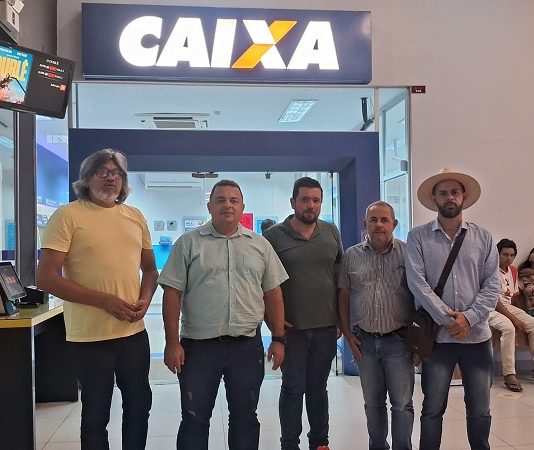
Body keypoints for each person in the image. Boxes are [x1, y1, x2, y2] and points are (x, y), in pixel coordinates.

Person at [37, 149, 158, 450]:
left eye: (116, 173)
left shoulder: (135, 216)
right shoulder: (68, 215)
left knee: (139, 406)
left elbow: (150, 270)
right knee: (95, 414)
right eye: (102, 172)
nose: (110, 178)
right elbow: (46, 278)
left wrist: (145, 299)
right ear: (87, 178)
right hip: (89, 338)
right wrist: (104, 301)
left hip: (132, 333)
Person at [159, 179, 288, 450]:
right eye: (220, 200)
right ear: (209, 206)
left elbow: (273, 293)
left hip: (246, 347)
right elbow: (172, 294)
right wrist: (172, 343)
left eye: (233, 200)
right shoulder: (188, 244)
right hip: (198, 348)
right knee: (194, 419)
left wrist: (278, 338)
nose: (227, 205)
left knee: (245, 418)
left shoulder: (260, 245)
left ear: (242, 207)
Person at [405, 168, 500, 450]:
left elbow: (492, 284)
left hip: (477, 339)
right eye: (443, 193)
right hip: (437, 340)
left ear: (464, 197)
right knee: (432, 408)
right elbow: (417, 283)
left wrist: (469, 318)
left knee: (480, 409)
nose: (449, 197)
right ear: (434, 198)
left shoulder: (483, 238)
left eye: (454, 192)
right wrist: (448, 320)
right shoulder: (418, 237)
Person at [263, 177, 342, 450]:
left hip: (325, 327)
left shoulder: (331, 232)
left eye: (316, 200)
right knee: (293, 387)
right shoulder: (273, 237)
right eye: (305, 199)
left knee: (318, 387)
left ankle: (320, 443)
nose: (311, 205)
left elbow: (339, 276)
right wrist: (271, 321)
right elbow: (262, 284)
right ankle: (289, 444)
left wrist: (340, 319)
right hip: (291, 329)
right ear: (293, 202)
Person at [338, 201, 415, 450]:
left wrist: (418, 340)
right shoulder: (351, 256)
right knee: (373, 404)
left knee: (402, 404)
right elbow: (343, 294)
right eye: (373, 220)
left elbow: (419, 295)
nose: (379, 225)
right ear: (365, 224)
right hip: (365, 342)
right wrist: (347, 333)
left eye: (384, 220)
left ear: (394, 224)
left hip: (399, 341)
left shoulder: (408, 254)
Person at [488, 239, 534, 392]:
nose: (509, 258)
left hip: (506, 307)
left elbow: (512, 297)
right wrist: (514, 319)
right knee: (509, 328)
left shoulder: (513, 271)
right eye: (505, 254)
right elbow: (495, 302)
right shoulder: (490, 270)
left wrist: (520, 314)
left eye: (512, 255)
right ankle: (509, 374)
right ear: (497, 254)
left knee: (532, 324)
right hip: (490, 308)